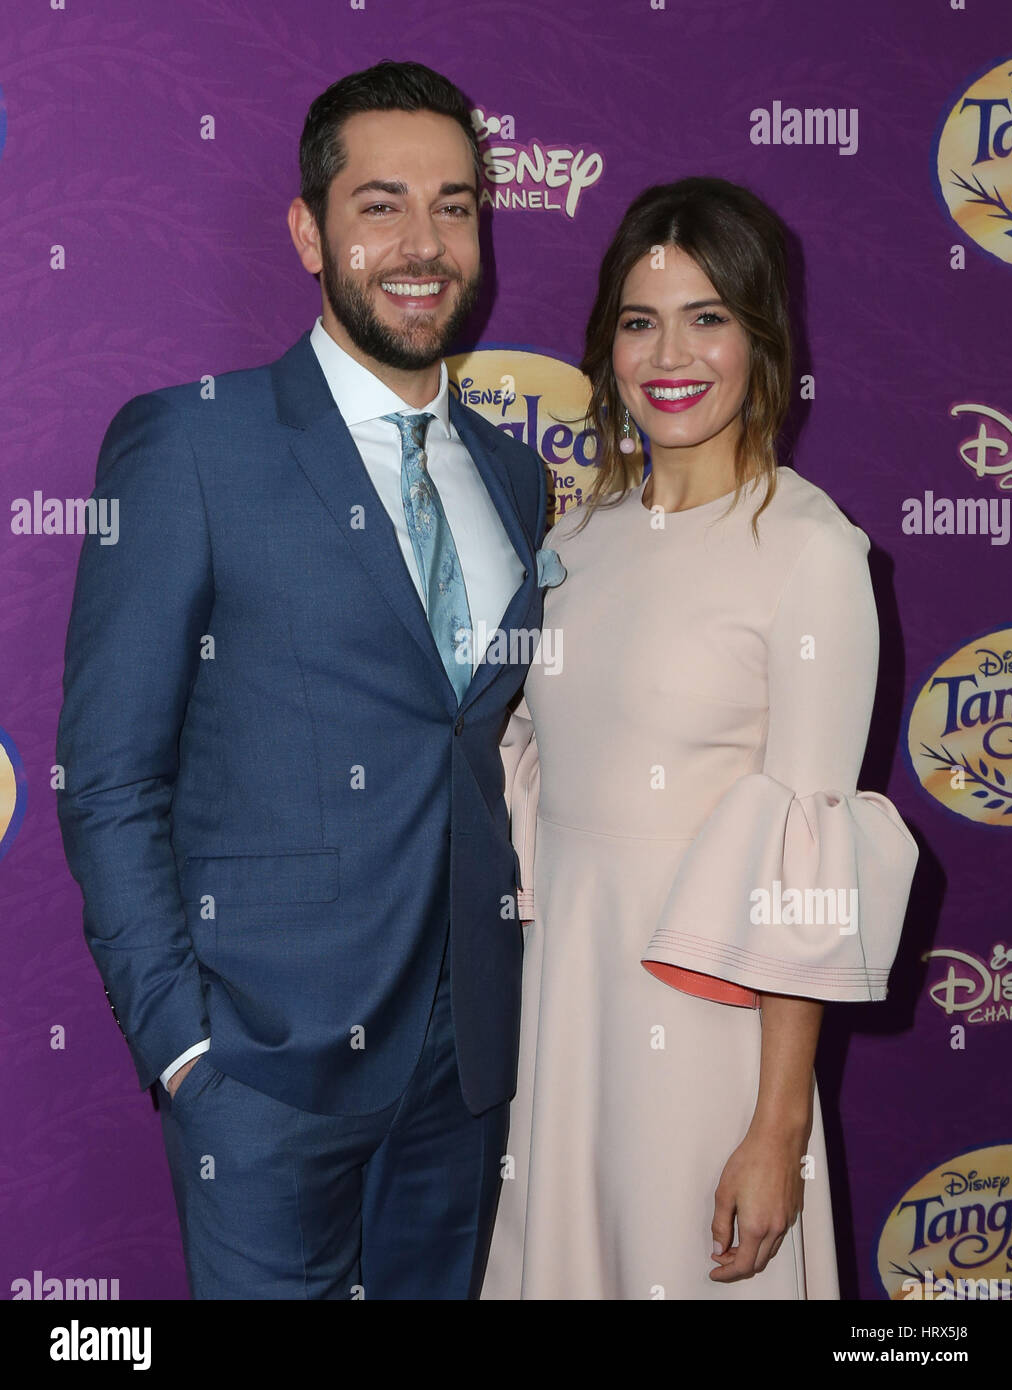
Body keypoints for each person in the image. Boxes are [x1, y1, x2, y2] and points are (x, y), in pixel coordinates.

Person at [55, 59, 548, 1300]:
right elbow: (109, 778)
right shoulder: (194, 441)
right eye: (381, 204)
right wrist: (183, 1051)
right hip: (262, 1076)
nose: (423, 243)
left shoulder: (512, 476)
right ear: (309, 231)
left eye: (455, 204)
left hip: (463, 1066)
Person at [482, 177, 919, 1300]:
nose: (669, 353)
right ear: (607, 347)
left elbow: (808, 873)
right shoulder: (576, 536)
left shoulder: (811, 553)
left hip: (707, 1038)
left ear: (761, 336)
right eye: (640, 321)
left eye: (707, 316)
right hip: (560, 1020)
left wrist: (776, 1130)